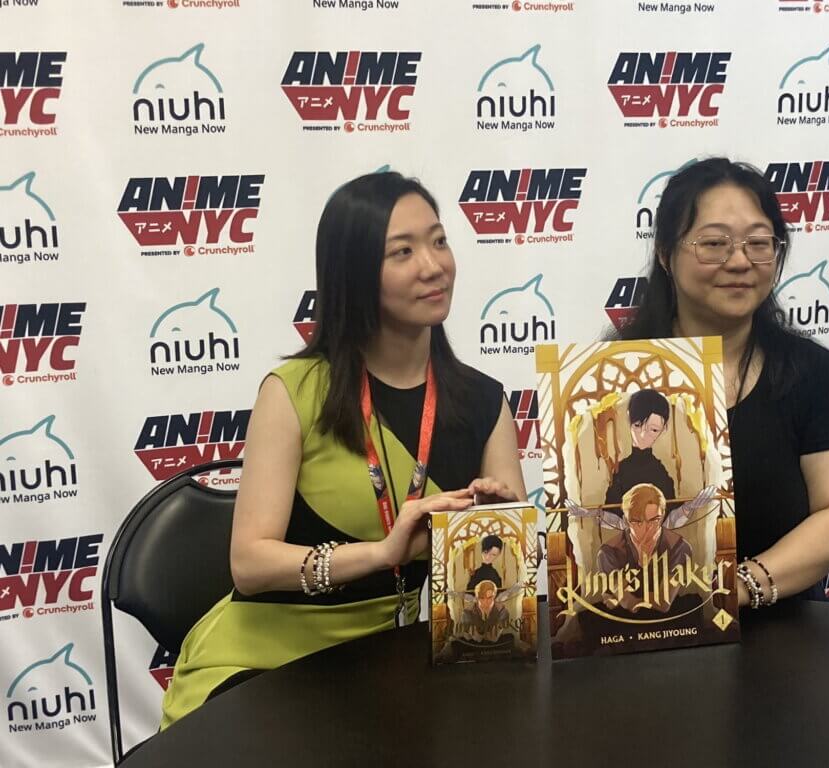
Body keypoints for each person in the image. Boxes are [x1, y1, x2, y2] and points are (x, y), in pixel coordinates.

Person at [160, 172, 526, 728]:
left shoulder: (484, 402)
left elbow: (505, 586)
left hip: (392, 660)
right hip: (265, 662)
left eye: (439, 240)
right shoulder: (295, 391)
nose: (433, 265)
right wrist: (381, 555)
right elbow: (249, 564)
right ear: (353, 275)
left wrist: (493, 527)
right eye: (401, 251)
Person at [615, 157, 829, 608]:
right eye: (714, 243)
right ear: (664, 253)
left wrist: (738, 588)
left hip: (788, 632)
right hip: (640, 632)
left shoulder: (815, 375)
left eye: (758, 242)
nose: (739, 261)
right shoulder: (612, 375)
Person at [598, 483, 692, 613]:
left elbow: (663, 604)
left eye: (654, 520)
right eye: (637, 521)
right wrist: (641, 564)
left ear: (663, 516)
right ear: (626, 520)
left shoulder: (679, 547)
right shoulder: (608, 551)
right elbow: (628, 602)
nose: (647, 529)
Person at [603, 389, 676, 510]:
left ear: (664, 428)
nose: (642, 435)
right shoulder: (620, 472)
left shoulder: (661, 474)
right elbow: (610, 514)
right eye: (637, 425)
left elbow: (671, 516)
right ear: (628, 417)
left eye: (653, 430)